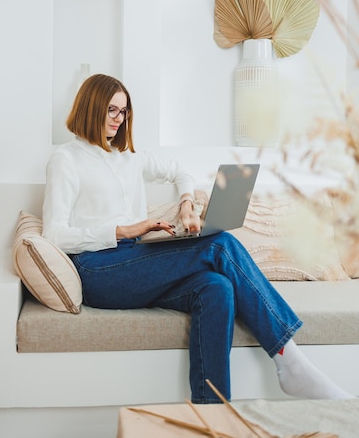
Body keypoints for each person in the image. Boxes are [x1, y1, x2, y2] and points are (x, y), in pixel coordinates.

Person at [42, 73, 354, 404]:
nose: (121, 120)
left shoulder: (128, 157)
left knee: (216, 288)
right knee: (220, 245)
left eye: (125, 111)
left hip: (135, 261)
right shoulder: (66, 160)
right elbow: (54, 235)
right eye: (113, 111)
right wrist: (122, 230)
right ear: (91, 109)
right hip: (98, 270)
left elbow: (180, 171)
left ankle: (213, 413)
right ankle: (291, 362)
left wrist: (188, 206)